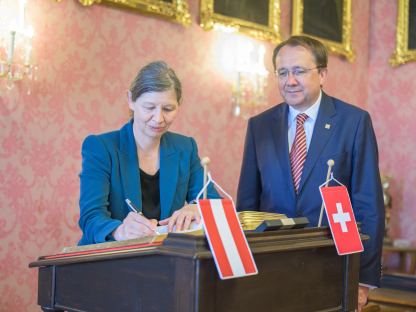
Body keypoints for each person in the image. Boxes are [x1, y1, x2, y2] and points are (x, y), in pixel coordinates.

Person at [236, 36, 384, 311]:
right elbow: (247, 204)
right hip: (270, 269)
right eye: (283, 72)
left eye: (299, 71)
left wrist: (362, 279)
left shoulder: (353, 122)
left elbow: (368, 205)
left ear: (322, 74)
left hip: (331, 267)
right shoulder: (260, 126)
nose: (290, 80)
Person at [78, 61, 219, 245]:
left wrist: (197, 208)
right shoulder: (100, 147)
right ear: (131, 100)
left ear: (179, 105)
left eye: (168, 109)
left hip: (165, 257)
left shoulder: (185, 147)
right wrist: (119, 230)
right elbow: (91, 217)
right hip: (110, 258)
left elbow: (215, 202)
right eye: (149, 108)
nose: (159, 119)